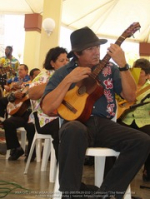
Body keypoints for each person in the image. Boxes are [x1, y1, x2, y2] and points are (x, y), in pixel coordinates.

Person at [41, 27, 150, 199]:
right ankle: (70, 195)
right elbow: (47, 107)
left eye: (98, 47)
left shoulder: (111, 69)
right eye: (91, 48)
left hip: (103, 124)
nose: (96, 52)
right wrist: (68, 80)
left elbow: (130, 97)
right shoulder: (64, 72)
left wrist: (123, 65)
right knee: (73, 130)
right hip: (76, 124)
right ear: (77, 53)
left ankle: (107, 193)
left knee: (142, 141)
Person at [28, 46, 69, 160]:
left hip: (64, 115)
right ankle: (62, 167)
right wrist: (56, 81)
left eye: (67, 60)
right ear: (52, 63)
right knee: (63, 128)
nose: (66, 63)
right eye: (62, 61)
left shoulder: (71, 75)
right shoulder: (45, 75)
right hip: (46, 119)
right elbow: (31, 94)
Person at [118, 58, 150, 182]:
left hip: (144, 121)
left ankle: (147, 171)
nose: (135, 73)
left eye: (139, 72)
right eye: (133, 70)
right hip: (125, 120)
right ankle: (115, 170)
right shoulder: (125, 84)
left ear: (147, 75)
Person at [3, 67, 40, 161]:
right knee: (7, 122)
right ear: (31, 76)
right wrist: (14, 95)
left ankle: (31, 153)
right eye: (36, 75)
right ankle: (16, 148)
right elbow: (9, 99)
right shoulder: (25, 86)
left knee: (31, 127)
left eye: (40, 75)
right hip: (21, 114)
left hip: (33, 114)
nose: (39, 77)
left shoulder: (42, 87)